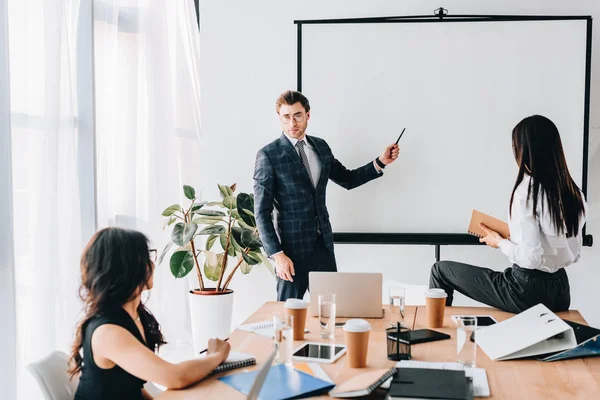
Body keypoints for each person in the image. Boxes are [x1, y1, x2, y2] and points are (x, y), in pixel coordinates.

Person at [429, 115, 587, 314]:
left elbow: (531, 259)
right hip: (560, 291)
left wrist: (500, 243)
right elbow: (573, 253)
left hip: (525, 291)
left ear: (523, 150)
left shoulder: (526, 192)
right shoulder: (574, 192)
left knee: (441, 271)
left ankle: (435, 338)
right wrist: (514, 237)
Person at [254, 90, 400, 301]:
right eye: (286, 117)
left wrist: (380, 162)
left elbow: (347, 179)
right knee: (289, 318)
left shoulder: (320, 147)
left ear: (308, 115)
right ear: (279, 118)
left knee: (331, 314)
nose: (292, 122)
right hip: (290, 253)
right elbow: (261, 211)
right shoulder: (268, 155)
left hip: (323, 247)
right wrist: (277, 255)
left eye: (297, 115)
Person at [69, 227, 231, 400]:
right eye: (146, 258)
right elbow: (174, 377)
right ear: (127, 268)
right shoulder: (108, 332)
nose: (152, 265)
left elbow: (130, 387)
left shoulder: (134, 315)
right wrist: (216, 355)